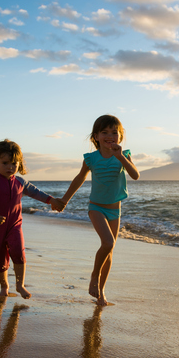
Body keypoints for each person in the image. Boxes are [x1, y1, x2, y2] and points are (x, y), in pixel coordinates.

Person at [56, 115, 140, 306]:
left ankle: (101, 293)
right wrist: (65, 200)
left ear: (120, 136)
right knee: (108, 242)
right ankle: (94, 276)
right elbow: (79, 178)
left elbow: (135, 175)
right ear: (96, 136)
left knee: (110, 251)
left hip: (115, 210)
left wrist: (120, 157)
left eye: (114, 132)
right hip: (96, 208)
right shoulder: (91, 158)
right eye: (105, 132)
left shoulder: (123, 155)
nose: (109, 136)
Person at [0, 139, 64, 299]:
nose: (10, 167)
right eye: (5, 163)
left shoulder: (20, 181)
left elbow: (35, 192)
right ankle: (4, 287)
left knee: (18, 252)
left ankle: (20, 285)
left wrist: (51, 200)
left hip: (15, 226)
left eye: (14, 163)